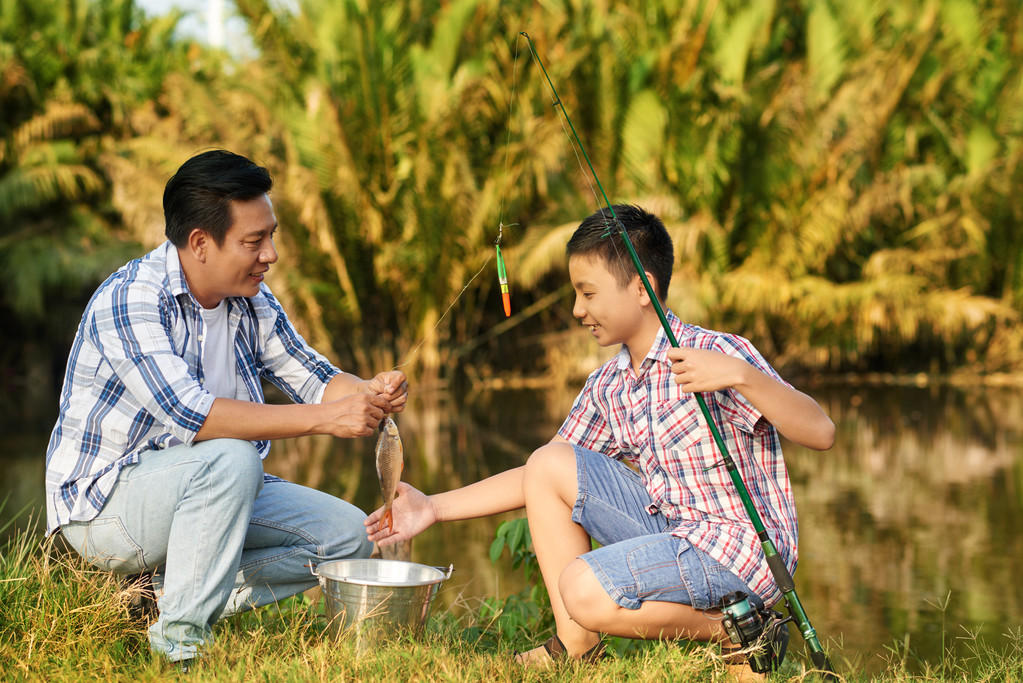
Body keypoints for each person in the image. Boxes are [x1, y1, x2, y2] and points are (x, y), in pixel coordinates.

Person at [365, 204, 834, 678]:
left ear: (642, 287)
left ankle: (737, 628)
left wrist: (741, 377)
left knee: (582, 589)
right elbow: (536, 479)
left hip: (740, 553)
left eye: (588, 293)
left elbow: (821, 432)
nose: (577, 309)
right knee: (549, 462)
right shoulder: (609, 384)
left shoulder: (717, 353)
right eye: (576, 293)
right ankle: (578, 646)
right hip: (673, 535)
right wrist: (433, 508)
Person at [44, 149, 408, 668]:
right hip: (104, 509)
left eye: (271, 235)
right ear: (200, 243)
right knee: (232, 456)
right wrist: (325, 420)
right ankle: (180, 648)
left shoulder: (251, 298)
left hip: (207, 484)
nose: (271, 254)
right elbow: (194, 416)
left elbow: (314, 377)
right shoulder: (131, 299)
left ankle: (162, 597)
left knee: (347, 536)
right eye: (254, 241)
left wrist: (367, 392)